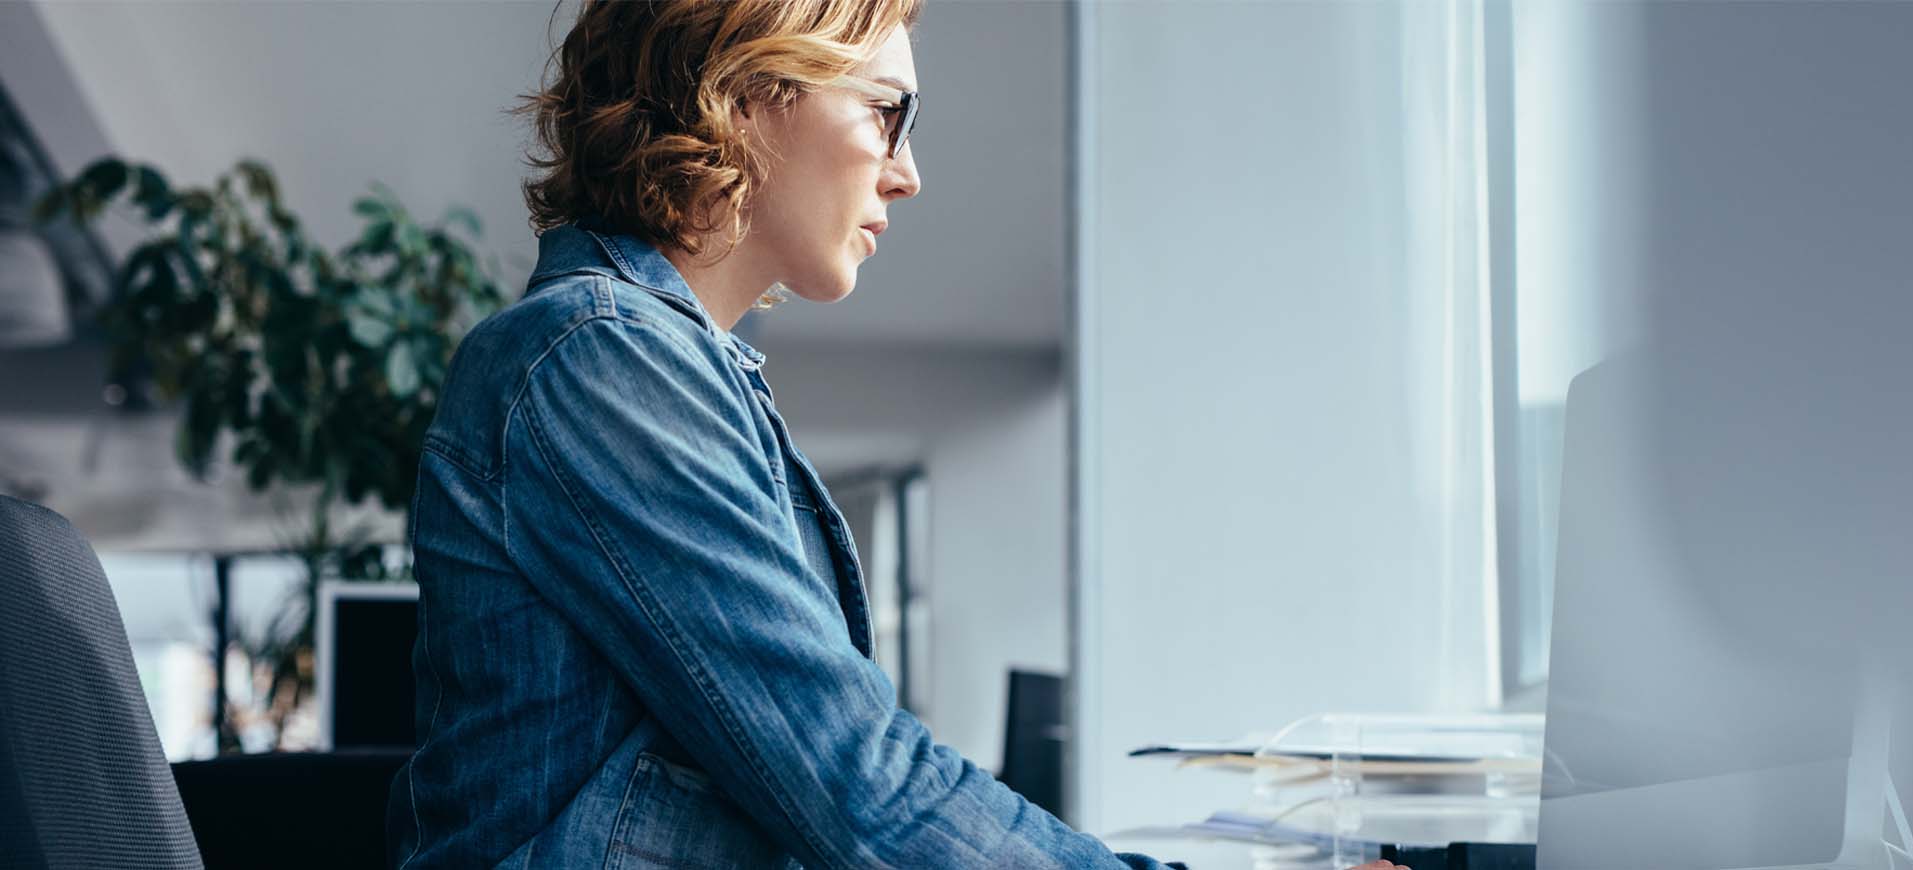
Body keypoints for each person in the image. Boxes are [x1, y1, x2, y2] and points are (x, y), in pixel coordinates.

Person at [385, 2, 1410, 868]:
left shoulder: (663, 366)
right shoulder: (598, 360)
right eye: (886, 113)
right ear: (740, 93)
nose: (905, 172)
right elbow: (850, 778)